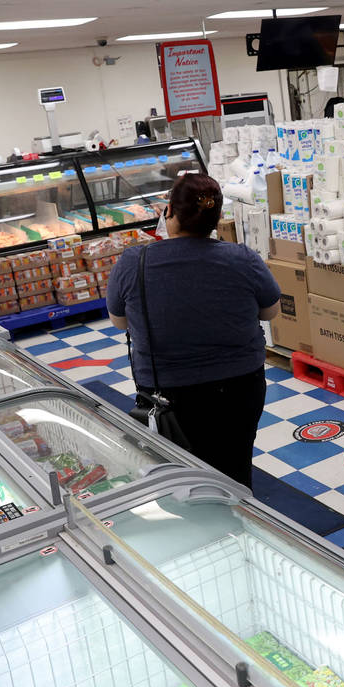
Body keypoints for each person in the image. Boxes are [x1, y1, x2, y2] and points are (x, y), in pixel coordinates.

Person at [107, 174, 281, 489]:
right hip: (240, 387)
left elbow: (119, 321)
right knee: (234, 464)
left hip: (167, 393)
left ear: (169, 212)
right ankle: (244, 519)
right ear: (216, 218)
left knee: (180, 475)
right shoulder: (242, 258)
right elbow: (270, 311)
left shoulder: (135, 261)